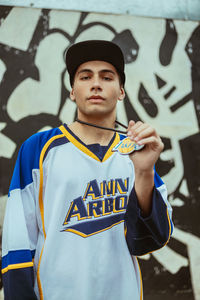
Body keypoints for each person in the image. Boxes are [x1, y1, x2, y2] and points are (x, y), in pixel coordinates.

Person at [1, 40, 173, 300]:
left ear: (121, 91)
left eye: (107, 77)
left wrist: (144, 172)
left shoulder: (137, 152)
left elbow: (149, 242)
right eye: (85, 76)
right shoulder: (37, 150)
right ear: (72, 91)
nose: (96, 84)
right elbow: (17, 241)